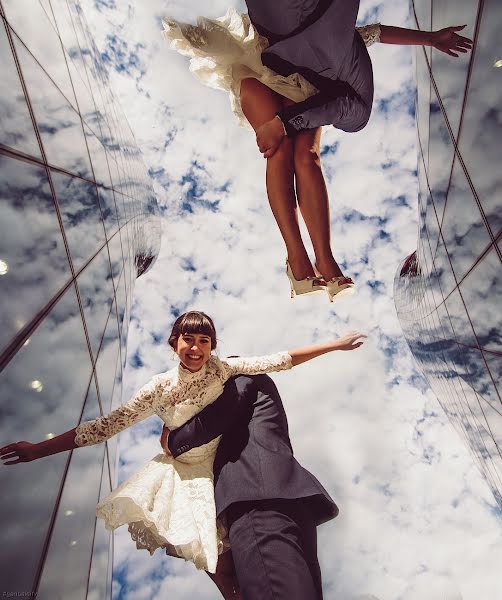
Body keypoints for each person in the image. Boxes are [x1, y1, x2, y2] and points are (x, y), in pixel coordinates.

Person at [0, 311, 366, 599]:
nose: (195, 348)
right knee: (210, 555)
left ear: (212, 346)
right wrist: (39, 450)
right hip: (185, 471)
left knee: (229, 550)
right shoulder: (158, 388)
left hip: (218, 467)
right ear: (174, 343)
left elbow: (279, 360)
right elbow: (105, 427)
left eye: (204, 340)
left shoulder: (224, 369)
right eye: (187, 339)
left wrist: (334, 344)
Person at [163, 2, 472, 301]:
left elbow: (373, 33)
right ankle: (298, 258)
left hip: (305, 91)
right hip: (259, 63)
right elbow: (374, 32)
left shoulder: (335, 47)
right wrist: (429, 38)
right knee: (280, 152)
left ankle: (323, 259)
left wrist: (429, 39)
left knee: (304, 156)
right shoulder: (333, 42)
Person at [161, 371, 338, 600]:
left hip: (255, 498)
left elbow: (215, 417)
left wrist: (172, 441)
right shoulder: (254, 407)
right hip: (285, 499)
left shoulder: (241, 378)